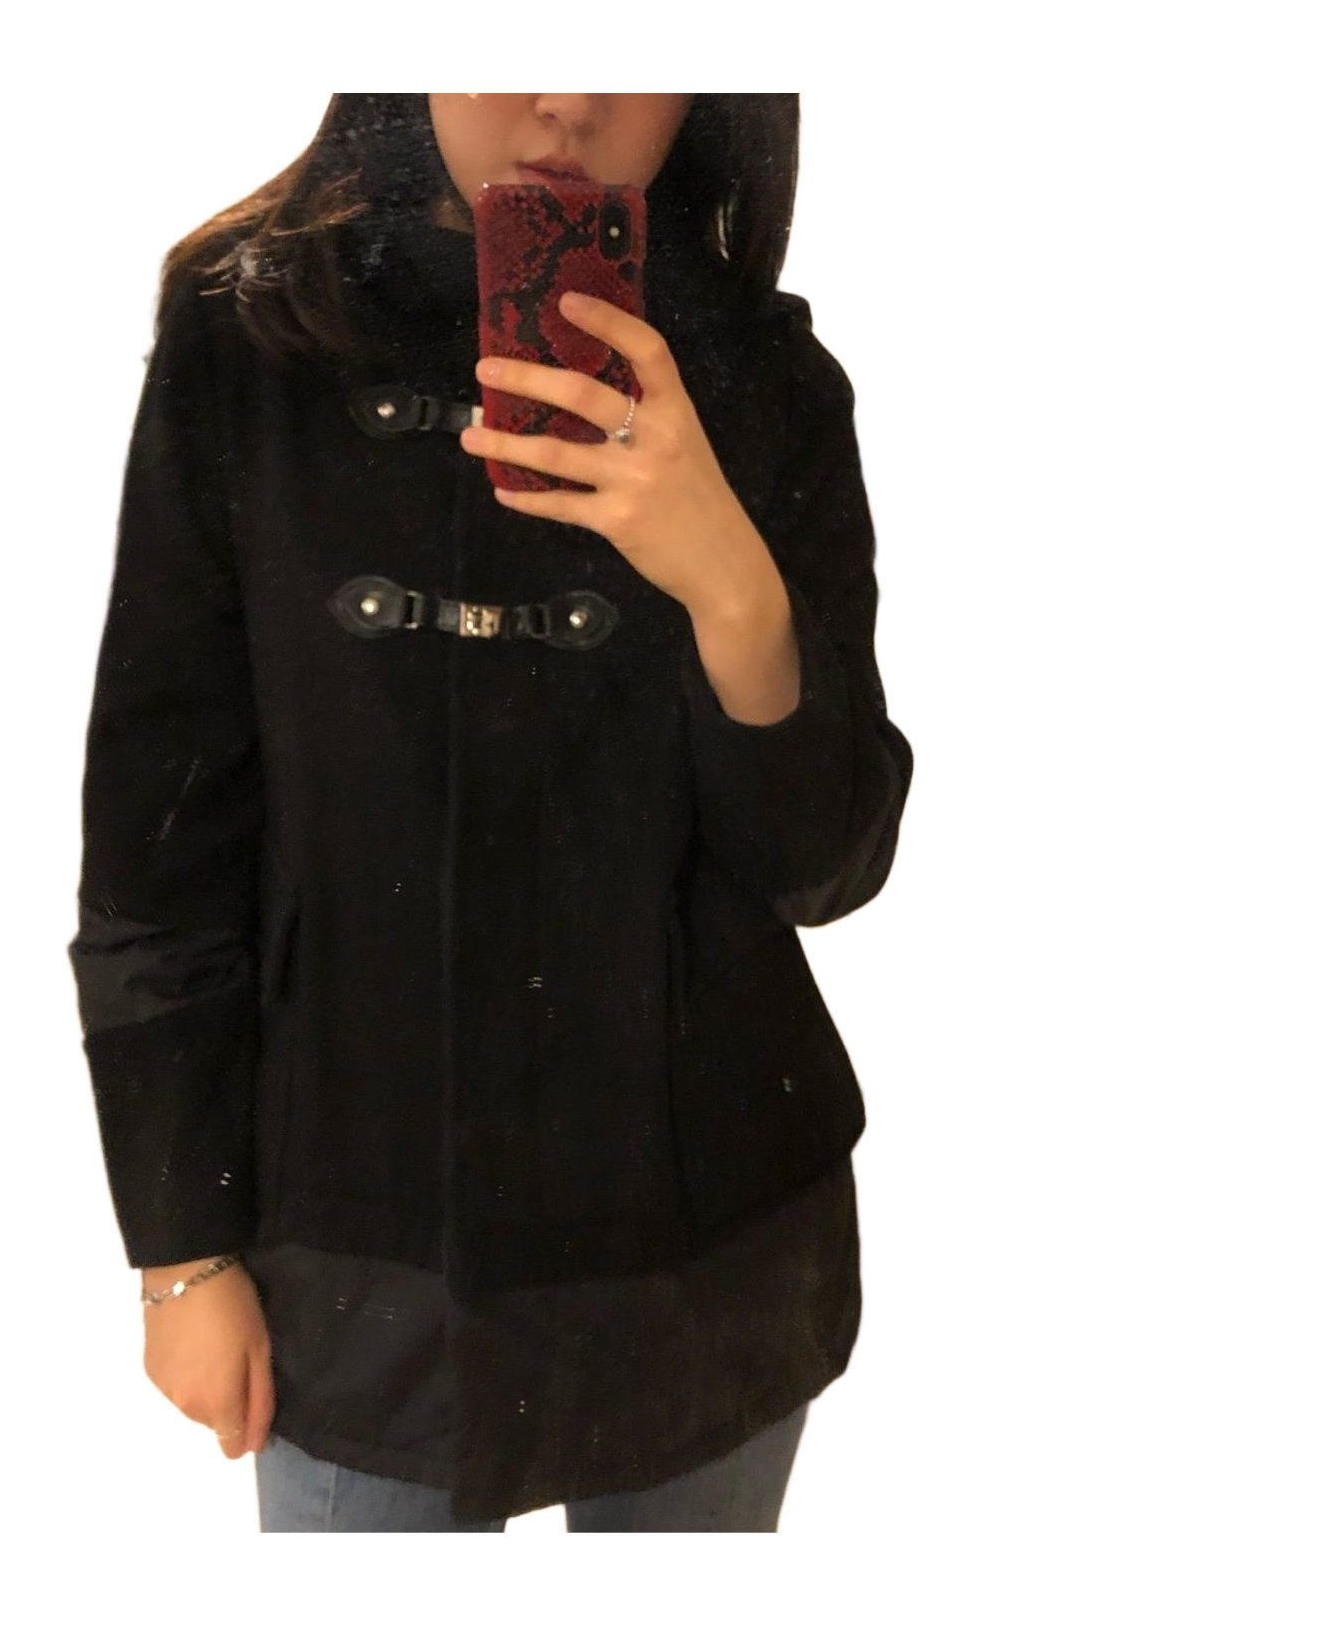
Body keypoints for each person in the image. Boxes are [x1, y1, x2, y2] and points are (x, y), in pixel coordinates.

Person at [69, 92, 913, 1533]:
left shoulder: (771, 373)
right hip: (356, 1226)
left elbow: (826, 868)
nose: (568, 101)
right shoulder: (248, 336)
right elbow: (161, 852)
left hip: (710, 1230)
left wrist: (731, 586)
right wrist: (181, 1255)